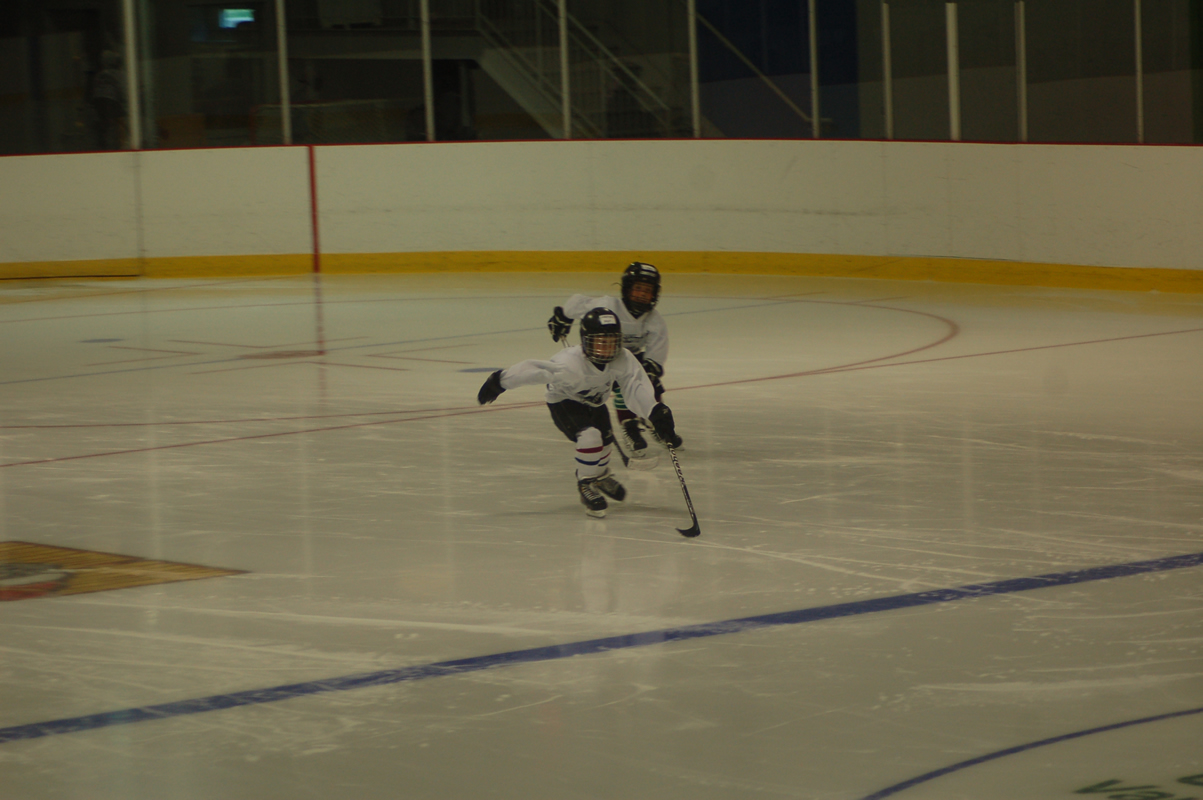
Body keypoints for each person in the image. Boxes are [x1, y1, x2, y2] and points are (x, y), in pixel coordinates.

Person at [477, 307, 680, 518]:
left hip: (595, 403)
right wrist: (500, 381)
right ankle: (586, 483)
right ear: (585, 342)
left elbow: (634, 385)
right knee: (590, 437)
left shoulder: (623, 358)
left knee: (606, 441)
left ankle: (600, 476)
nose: (607, 349)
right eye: (600, 343)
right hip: (565, 402)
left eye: (611, 342)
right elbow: (534, 371)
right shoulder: (568, 364)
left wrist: (654, 411)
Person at [546, 262, 682, 460]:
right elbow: (578, 303)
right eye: (638, 288)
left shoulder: (654, 320)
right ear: (627, 289)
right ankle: (629, 425)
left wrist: (651, 370)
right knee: (621, 384)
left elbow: (657, 349)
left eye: (647, 291)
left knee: (648, 383)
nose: (642, 294)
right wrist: (563, 316)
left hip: (628, 359)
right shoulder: (609, 306)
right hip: (600, 356)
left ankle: (655, 421)